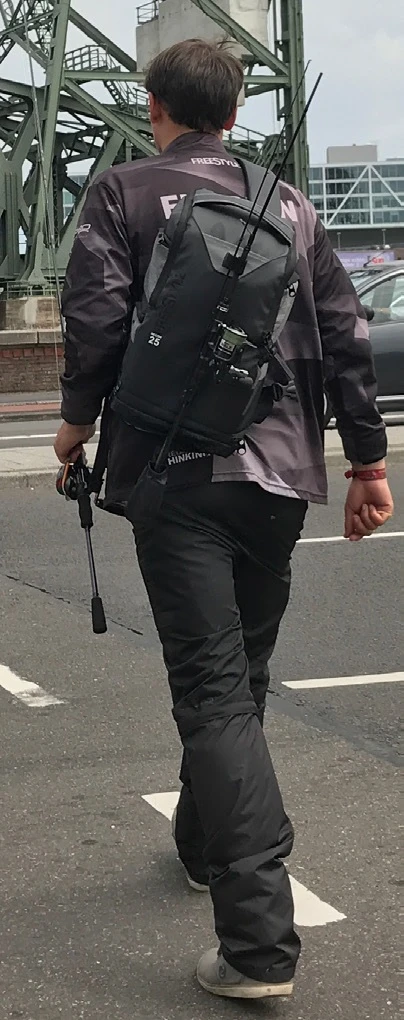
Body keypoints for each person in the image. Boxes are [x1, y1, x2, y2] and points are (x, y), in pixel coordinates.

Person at [54, 39, 394, 1001]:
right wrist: (368, 462)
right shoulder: (290, 203)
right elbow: (345, 335)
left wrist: (75, 428)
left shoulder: (122, 194)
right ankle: (204, 847)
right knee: (238, 677)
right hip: (279, 475)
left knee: (213, 692)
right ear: (237, 113)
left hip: (174, 472)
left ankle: (257, 947)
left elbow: (96, 322)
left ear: (153, 106)